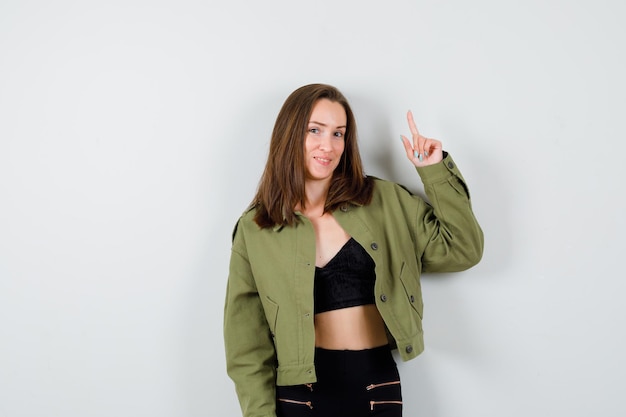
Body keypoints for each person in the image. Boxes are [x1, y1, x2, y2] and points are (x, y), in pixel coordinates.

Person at [223, 83, 483, 417]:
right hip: (299, 396)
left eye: (338, 134)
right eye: (314, 130)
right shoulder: (256, 228)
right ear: (289, 136)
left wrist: (434, 171)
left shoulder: (383, 200)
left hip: (376, 385)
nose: (327, 145)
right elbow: (246, 343)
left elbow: (463, 248)